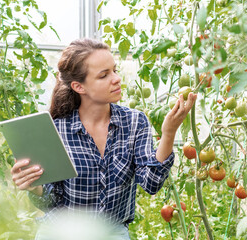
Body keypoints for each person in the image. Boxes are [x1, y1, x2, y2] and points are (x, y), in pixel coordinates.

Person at [10, 38, 197, 239]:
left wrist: (168, 133)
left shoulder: (134, 122)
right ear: (79, 87)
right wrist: (34, 186)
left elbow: (151, 183)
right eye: (104, 75)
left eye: (114, 70)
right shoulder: (57, 129)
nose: (116, 78)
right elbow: (51, 200)